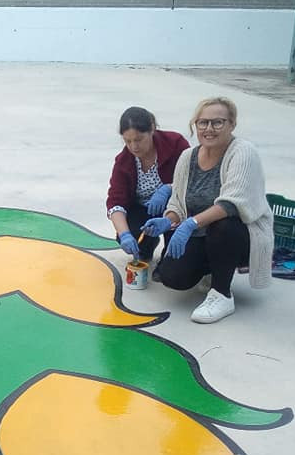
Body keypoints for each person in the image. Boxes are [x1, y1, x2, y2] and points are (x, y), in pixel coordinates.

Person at [143, 97, 273, 324]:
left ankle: (222, 294)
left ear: (232, 124)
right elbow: (178, 203)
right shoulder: (188, 157)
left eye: (218, 122)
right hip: (201, 233)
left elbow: (231, 203)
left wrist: (190, 224)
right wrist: (168, 220)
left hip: (239, 235)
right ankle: (212, 269)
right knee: (173, 278)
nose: (209, 129)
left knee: (224, 224)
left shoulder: (243, 152)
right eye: (202, 123)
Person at [105, 106, 190, 264]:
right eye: (127, 141)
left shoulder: (175, 144)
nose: (133, 147)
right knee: (130, 230)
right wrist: (124, 234)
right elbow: (115, 201)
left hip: (176, 207)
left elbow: (193, 177)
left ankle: (169, 257)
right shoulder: (124, 161)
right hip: (144, 210)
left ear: (152, 129)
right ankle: (148, 244)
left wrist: (169, 188)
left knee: (173, 267)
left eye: (138, 139)